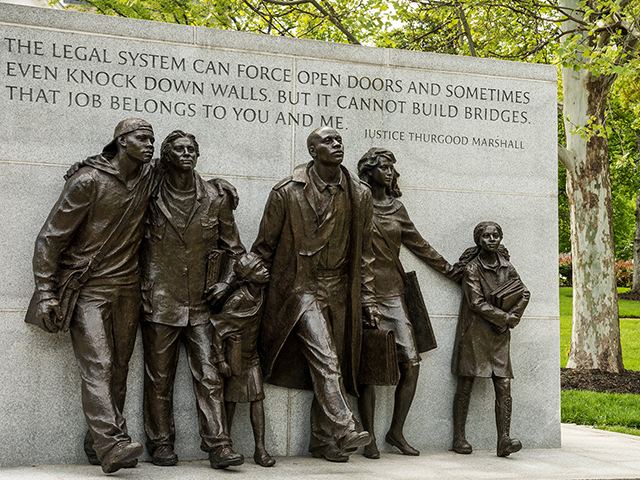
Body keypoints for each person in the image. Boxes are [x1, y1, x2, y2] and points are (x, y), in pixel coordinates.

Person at [28, 118, 159, 473]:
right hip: (88, 289)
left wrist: (220, 187)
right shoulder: (88, 180)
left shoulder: (149, 176)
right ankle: (114, 443)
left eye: (152, 139)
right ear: (121, 141)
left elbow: (183, 171)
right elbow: (50, 238)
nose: (150, 145)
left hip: (127, 288)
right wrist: (45, 290)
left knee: (118, 368)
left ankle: (97, 443)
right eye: (143, 139)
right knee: (98, 365)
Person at [251, 126, 380, 462]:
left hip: (341, 287)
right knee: (325, 357)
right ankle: (344, 426)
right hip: (300, 287)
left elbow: (365, 254)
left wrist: (367, 298)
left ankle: (322, 441)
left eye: (340, 140)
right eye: (328, 141)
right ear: (312, 151)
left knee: (334, 360)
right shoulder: (286, 192)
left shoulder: (359, 194)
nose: (337, 144)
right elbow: (264, 246)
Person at [139, 130, 245, 469]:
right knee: (159, 379)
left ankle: (219, 445)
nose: (187, 154)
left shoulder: (215, 196)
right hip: (160, 300)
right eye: (179, 149)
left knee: (210, 375)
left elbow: (234, 249)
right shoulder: (149, 191)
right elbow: (117, 175)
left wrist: (226, 283)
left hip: (202, 304)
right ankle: (160, 444)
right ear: (166, 156)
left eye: (192, 149)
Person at [356, 148, 460, 458]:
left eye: (391, 168)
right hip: (364, 295)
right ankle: (369, 436)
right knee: (369, 369)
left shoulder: (397, 209)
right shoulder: (357, 205)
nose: (388, 172)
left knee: (411, 362)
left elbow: (420, 245)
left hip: (393, 295)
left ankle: (395, 431)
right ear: (369, 171)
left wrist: (452, 272)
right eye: (383, 167)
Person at [451, 221, 530, 457]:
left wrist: (513, 317)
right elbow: (475, 302)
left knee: (504, 384)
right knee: (466, 383)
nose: (492, 239)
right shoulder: (472, 269)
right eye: (486, 236)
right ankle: (458, 437)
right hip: (474, 333)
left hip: (499, 335)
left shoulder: (508, 266)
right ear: (479, 240)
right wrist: (505, 319)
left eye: (496, 235)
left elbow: (524, 292)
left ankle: (504, 440)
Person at [212, 252, 276, 467]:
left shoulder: (262, 293)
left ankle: (260, 449)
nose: (264, 270)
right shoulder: (237, 300)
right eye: (258, 268)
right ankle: (224, 445)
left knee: (257, 400)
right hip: (235, 358)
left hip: (252, 357)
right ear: (248, 277)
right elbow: (219, 330)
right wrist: (221, 360)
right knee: (230, 403)